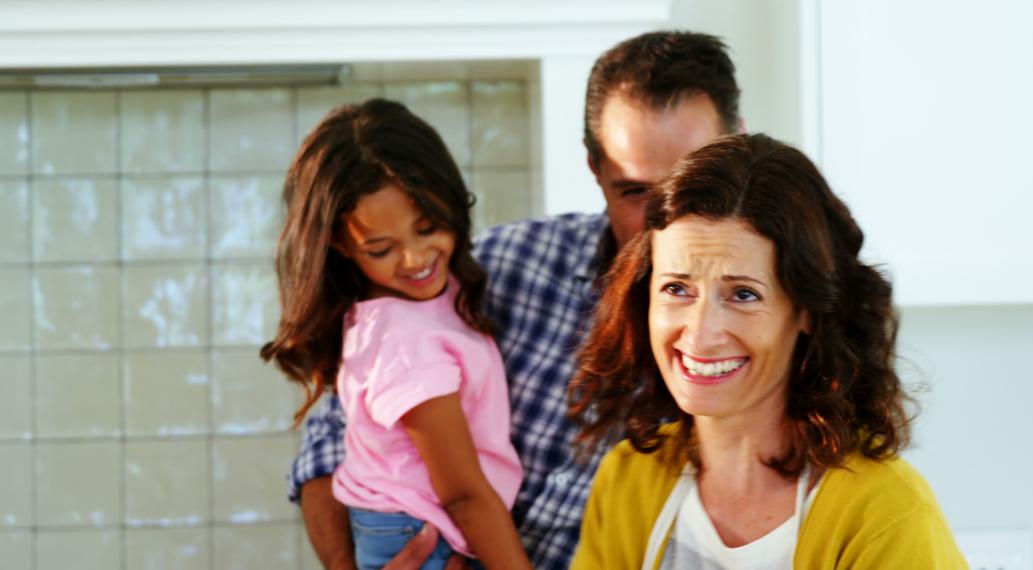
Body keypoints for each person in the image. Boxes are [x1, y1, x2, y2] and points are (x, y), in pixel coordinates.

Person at [289, 31, 742, 570]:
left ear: (736, 151)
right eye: (635, 191)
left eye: (690, 183)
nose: (668, 218)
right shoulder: (493, 269)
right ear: (595, 167)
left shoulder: (769, 326)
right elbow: (334, 432)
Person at [568, 134, 967, 569]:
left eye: (742, 295)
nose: (700, 334)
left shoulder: (886, 513)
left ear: (808, 312)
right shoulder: (628, 478)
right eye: (676, 288)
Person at [261, 99, 530, 569]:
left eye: (428, 226)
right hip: (423, 534)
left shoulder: (425, 297)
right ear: (340, 244)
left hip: (425, 522)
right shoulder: (406, 342)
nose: (415, 259)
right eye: (382, 249)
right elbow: (463, 495)